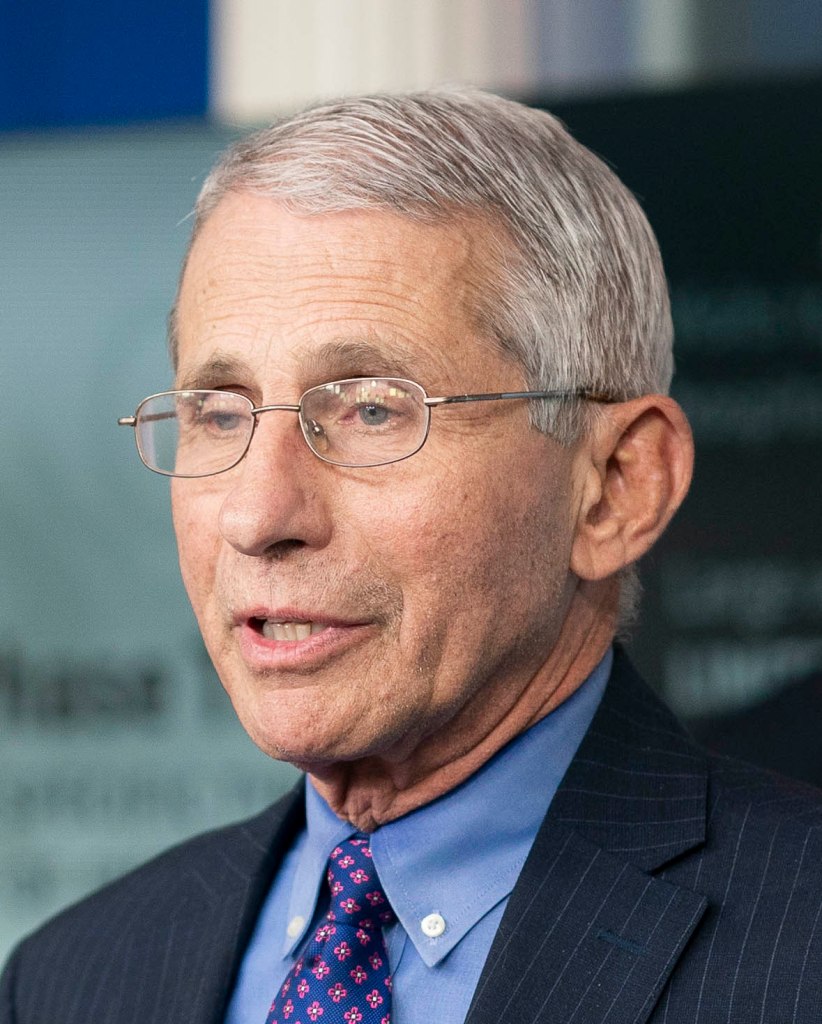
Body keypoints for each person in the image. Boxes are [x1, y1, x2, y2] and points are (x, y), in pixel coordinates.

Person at [2, 88, 821, 1024]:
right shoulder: (71, 979)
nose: (259, 515)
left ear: (615, 487)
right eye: (219, 414)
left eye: (371, 409)